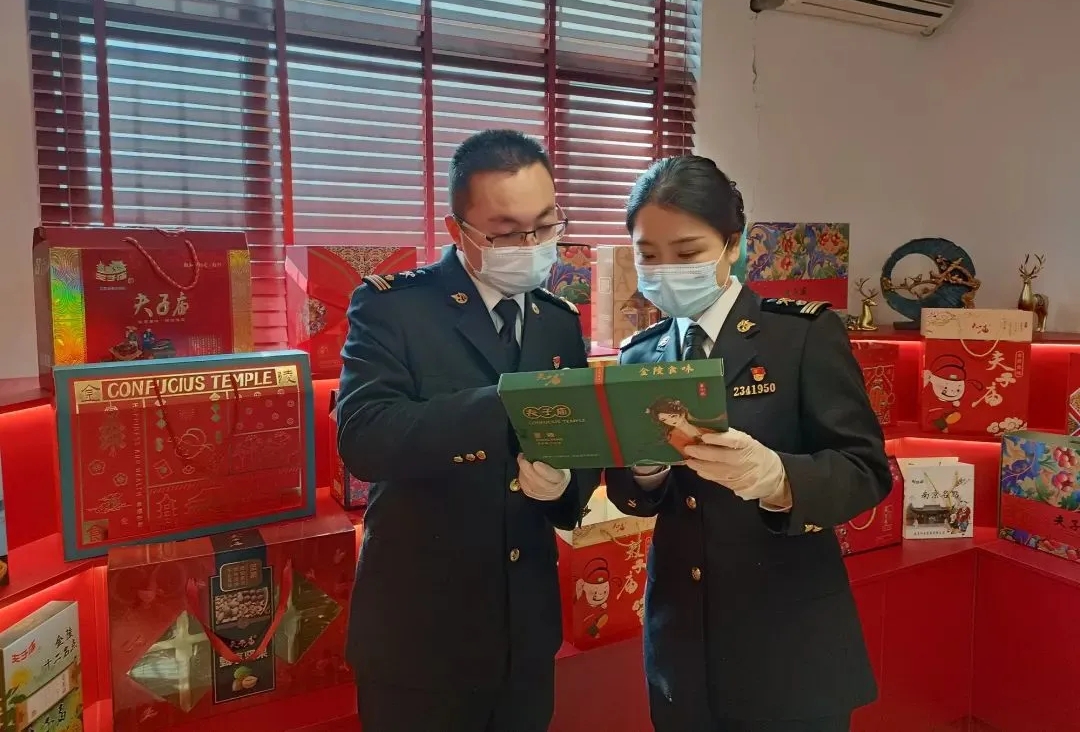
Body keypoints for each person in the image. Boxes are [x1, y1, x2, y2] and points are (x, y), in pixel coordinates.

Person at [605, 155, 893, 732]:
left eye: (687, 252)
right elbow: (633, 497)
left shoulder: (800, 335)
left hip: (787, 645)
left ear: (732, 245)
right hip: (682, 644)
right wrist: (644, 473)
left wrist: (779, 479)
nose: (665, 270)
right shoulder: (640, 355)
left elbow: (866, 470)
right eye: (648, 255)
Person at [337, 129, 600, 732]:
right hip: (421, 637)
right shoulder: (395, 307)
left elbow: (579, 451)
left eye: (545, 225)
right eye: (507, 232)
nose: (531, 246)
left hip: (524, 634)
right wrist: (509, 404)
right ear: (458, 230)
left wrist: (564, 485)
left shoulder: (557, 320)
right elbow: (365, 437)